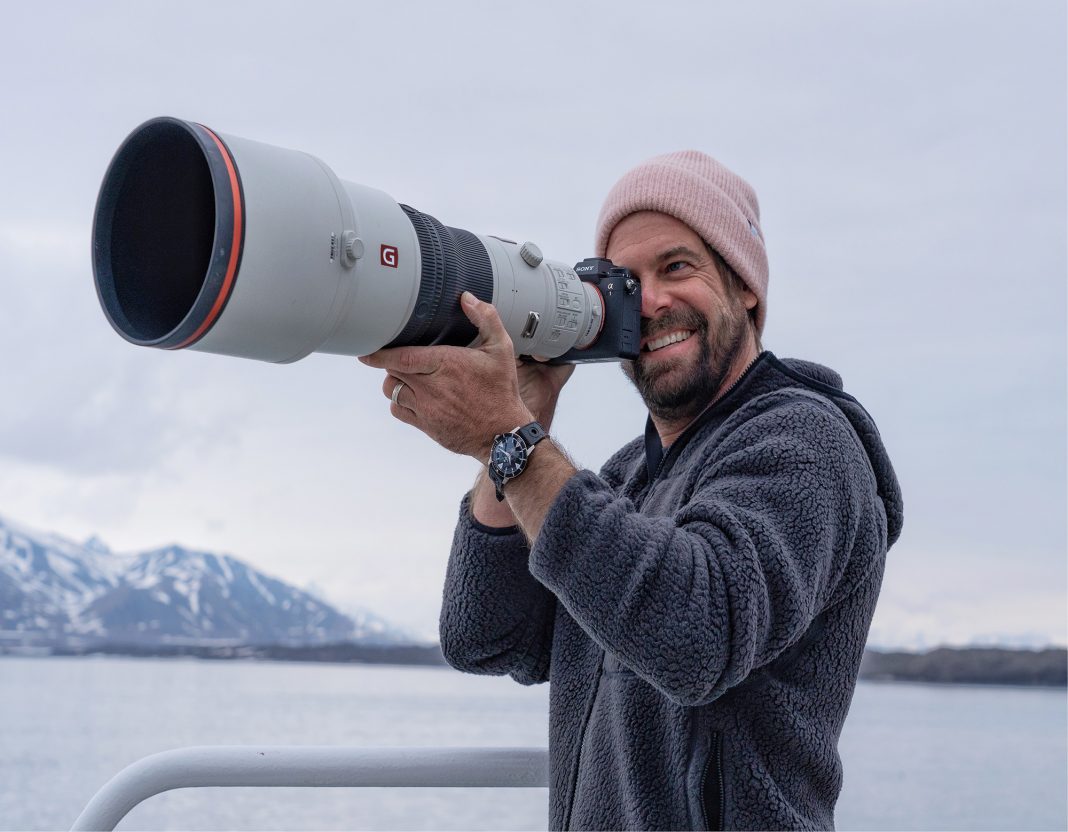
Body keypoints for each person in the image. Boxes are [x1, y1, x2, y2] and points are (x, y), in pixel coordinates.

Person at [360, 151, 903, 831]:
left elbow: (696, 633)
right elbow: (488, 636)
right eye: (624, 282)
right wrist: (524, 420)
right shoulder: (623, 480)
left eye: (678, 268)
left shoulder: (806, 445)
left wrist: (510, 439)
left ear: (745, 290)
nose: (649, 303)